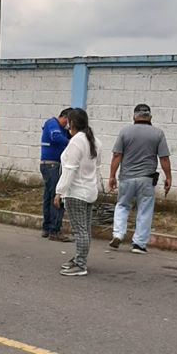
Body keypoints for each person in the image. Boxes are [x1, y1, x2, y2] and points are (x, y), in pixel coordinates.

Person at [108, 103, 171, 254]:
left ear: (134, 117)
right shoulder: (158, 133)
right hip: (146, 179)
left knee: (122, 205)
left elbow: (117, 155)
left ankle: (118, 234)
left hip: (127, 177)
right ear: (150, 117)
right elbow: (164, 158)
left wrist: (112, 176)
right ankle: (139, 244)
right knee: (145, 209)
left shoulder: (125, 132)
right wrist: (168, 177)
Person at [53, 108, 103, 277]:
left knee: (80, 231)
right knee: (85, 230)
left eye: (68, 123)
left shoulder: (76, 142)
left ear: (72, 123)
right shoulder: (95, 141)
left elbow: (70, 169)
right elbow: (97, 168)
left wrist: (59, 191)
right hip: (89, 191)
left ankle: (80, 264)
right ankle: (79, 259)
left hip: (76, 192)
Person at [40, 107, 73, 241]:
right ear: (65, 117)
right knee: (57, 195)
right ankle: (54, 230)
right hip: (51, 165)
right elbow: (56, 137)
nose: (68, 125)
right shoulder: (52, 123)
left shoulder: (63, 130)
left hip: (51, 165)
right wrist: (73, 142)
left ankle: (47, 227)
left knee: (49, 196)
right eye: (69, 122)